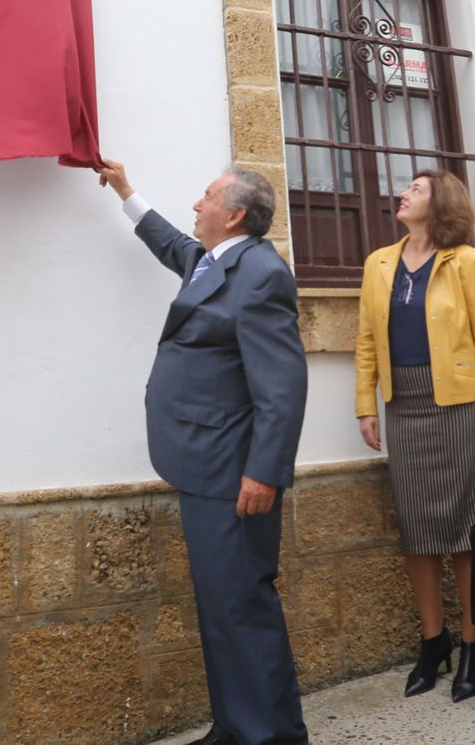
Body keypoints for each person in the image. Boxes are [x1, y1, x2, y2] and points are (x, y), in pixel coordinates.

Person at [98, 161, 308, 745]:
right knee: (220, 609)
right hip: (203, 465)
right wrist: (126, 192)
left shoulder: (262, 274)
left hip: (233, 473)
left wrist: (264, 473)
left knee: (242, 608)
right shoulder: (215, 261)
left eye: (207, 197)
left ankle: (273, 736)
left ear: (235, 214)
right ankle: (235, 727)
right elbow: (173, 244)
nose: (196, 205)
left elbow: (282, 388)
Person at [354, 169, 475, 702]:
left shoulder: (463, 261)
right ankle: (433, 641)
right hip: (404, 404)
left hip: (459, 405)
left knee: (463, 527)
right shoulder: (378, 263)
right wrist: (364, 406)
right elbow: (367, 340)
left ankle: (474, 641)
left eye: (415, 190)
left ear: (439, 203)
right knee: (416, 528)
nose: (402, 194)